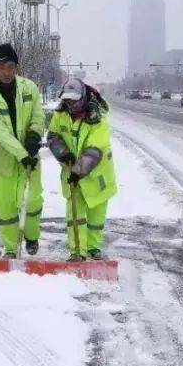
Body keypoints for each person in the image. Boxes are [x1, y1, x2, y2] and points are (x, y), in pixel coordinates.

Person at [0, 43, 45, 259]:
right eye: (1, 67)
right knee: (5, 207)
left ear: (16, 66)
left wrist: (34, 136)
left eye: (10, 66)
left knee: (33, 200)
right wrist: (22, 154)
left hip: (30, 155)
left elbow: (38, 116)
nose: (7, 72)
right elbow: (0, 132)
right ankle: (10, 248)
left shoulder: (30, 88)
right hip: (2, 160)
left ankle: (32, 236)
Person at [47, 77, 118, 261]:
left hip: (96, 175)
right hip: (72, 173)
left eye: (75, 100)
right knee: (75, 216)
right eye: (68, 100)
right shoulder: (60, 114)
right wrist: (64, 155)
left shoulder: (97, 120)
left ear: (84, 97)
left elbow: (94, 150)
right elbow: (53, 136)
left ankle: (93, 248)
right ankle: (77, 252)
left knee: (96, 217)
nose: (71, 105)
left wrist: (78, 170)